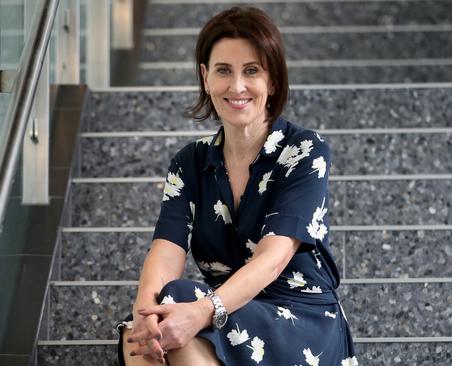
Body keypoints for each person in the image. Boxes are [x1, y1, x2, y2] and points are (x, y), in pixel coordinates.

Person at [118, 6, 357, 366]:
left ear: (272, 80)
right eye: (223, 71)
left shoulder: (305, 152)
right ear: (205, 76)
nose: (237, 86)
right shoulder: (191, 163)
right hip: (228, 315)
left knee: (177, 309)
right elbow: (166, 252)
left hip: (299, 321)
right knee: (142, 333)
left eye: (252, 71)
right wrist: (144, 317)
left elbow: (272, 261)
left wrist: (201, 311)